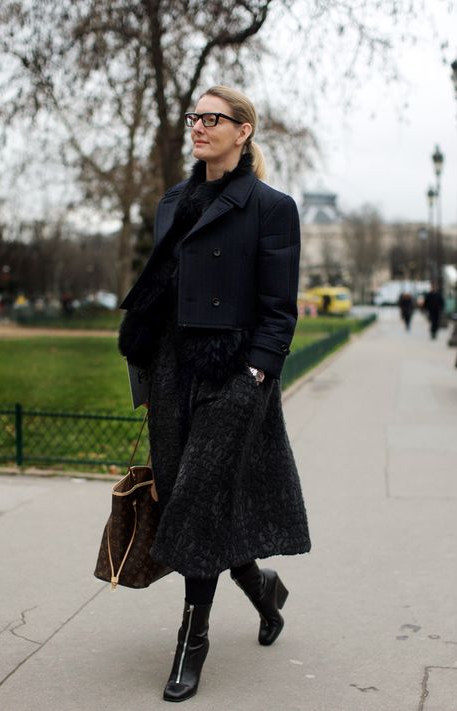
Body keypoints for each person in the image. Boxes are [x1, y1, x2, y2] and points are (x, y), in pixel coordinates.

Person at [118, 85, 310, 703]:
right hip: (173, 371)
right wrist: (144, 366)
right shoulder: (172, 202)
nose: (198, 126)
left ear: (244, 130)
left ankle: (191, 642)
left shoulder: (271, 208)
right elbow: (158, 292)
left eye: (212, 118)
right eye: (194, 117)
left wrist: (254, 376)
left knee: (199, 500)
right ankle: (263, 589)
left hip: (230, 374)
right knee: (186, 498)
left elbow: (279, 311)